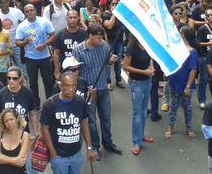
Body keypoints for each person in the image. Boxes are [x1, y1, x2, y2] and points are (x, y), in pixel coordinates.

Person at [71, 25, 122, 157]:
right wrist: (84, 87)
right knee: (91, 121)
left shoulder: (104, 46)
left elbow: (108, 62)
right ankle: (94, 146)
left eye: (101, 37)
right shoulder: (78, 50)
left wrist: (111, 61)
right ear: (89, 36)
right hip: (88, 92)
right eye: (98, 37)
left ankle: (108, 142)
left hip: (103, 88)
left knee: (106, 118)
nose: (101, 40)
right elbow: (75, 72)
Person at [40, 71, 97, 173]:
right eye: (67, 86)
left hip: (76, 154)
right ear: (61, 86)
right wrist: (53, 153)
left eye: (73, 86)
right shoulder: (50, 104)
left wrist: (89, 147)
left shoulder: (80, 102)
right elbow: (44, 130)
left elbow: (84, 124)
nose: (71, 89)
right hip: (59, 156)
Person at [15, 4, 56, 108]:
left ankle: (50, 104)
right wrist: (25, 42)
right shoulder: (22, 26)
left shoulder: (44, 21)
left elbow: (53, 35)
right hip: (30, 58)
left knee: (48, 82)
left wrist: (45, 44)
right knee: (33, 83)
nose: (29, 12)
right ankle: (35, 105)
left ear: (35, 11)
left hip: (45, 57)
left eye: (31, 10)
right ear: (24, 13)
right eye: (27, 11)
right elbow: (17, 42)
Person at [122, 35, 155, 155]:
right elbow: (125, 66)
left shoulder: (148, 45)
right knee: (137, 113)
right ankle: (136, 142)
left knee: (144, 111)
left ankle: (141, 135)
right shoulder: (132, 48)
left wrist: (151, 68)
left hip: (147, 81)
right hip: (136, 83)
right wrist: (144, 72)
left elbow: (150, 59)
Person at [165, 27, 199, 139]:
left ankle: (189, 128)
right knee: (173, 106)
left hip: (185, 84)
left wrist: (188, 86)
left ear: (183, 35)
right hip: (174, 82)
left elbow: (193, 70)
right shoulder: (176, 49)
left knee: (187, 107)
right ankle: (170, 127)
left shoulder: (192, 52)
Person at [0, 108, 31, 174]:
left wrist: (1, 157)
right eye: (6, 121)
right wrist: (15, 160)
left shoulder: (25, 136)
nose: (9, 123)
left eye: (11, 119)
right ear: (3, 123)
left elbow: (21, 163)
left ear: (17, 119)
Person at [53, 10, 87, 80]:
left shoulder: (84, 34)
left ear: (78, 18)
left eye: (75, 17)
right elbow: (56, 53)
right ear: (67, 18)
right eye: (70, 17)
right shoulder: (60, 34)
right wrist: (57, 71)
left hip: (82, 69)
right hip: (66, 70)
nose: (72, 20)